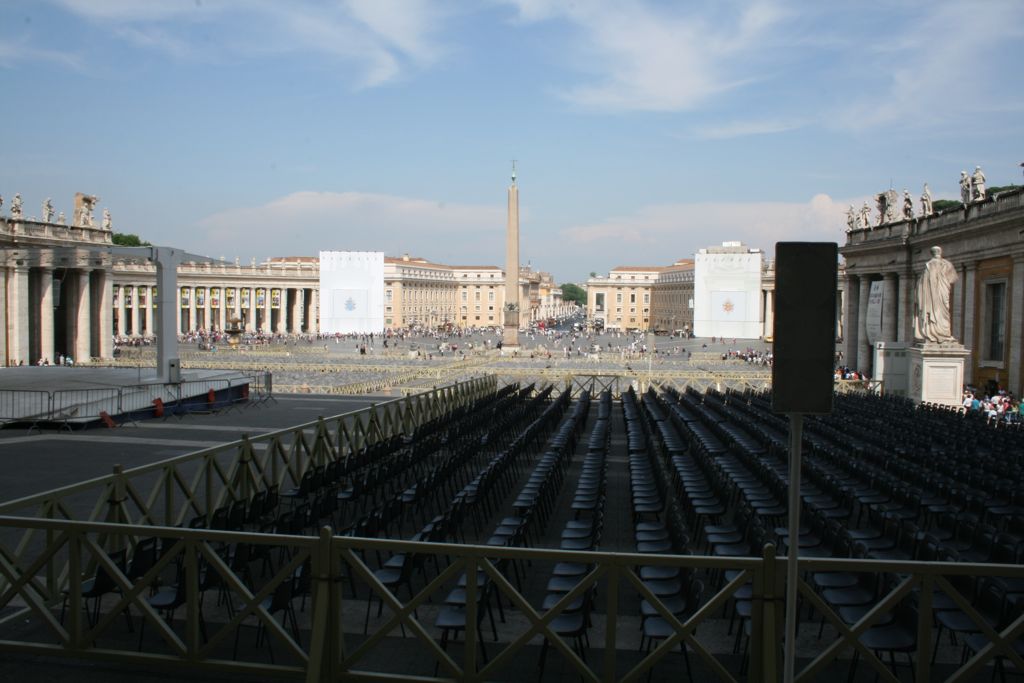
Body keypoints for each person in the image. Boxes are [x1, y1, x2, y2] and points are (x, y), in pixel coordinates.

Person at [914, 246, 958, 343]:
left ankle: (938, 333)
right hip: (940, 293)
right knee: (942, 312)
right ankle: (941, 333)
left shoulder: (928, 266)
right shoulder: (946, 264)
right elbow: (953, 278)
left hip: (935, 295)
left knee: (940, 312)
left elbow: (920, 287)